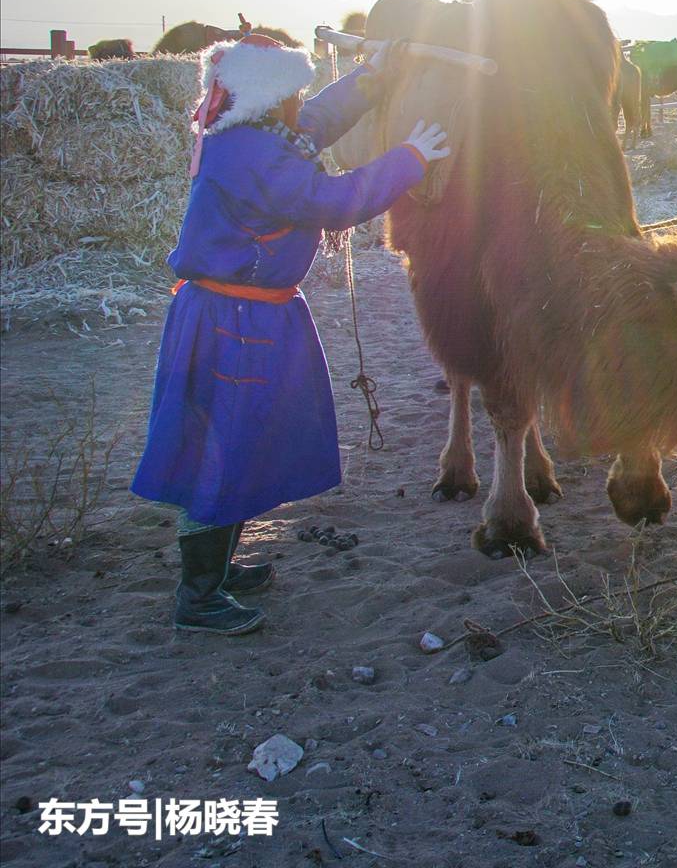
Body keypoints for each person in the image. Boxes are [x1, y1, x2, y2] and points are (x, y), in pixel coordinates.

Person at [132, 35, 449, 635]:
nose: (299, 102)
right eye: (292, 92)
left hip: (240, 314)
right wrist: (409, 158)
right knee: (219, 450)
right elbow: (330, 200)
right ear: (270, 97)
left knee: (240, 440)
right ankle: (198, 596)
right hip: (234, 323)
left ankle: (218, 569)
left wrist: (369, 78)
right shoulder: (254, 157)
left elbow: (315, 124)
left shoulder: (246, 135)